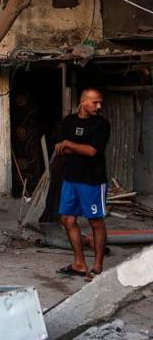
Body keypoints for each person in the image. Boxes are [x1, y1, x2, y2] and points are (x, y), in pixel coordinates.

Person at [55, 88, 110, 282]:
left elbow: (92, 151)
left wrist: (70, 144)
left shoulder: (101, 124)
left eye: (100, 102)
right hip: (71, 178)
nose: (99, 106)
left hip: (93, 180)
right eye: (95, 102)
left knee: (95, 221)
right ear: (83, 102)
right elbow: (61, 148)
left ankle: (98, 265)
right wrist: (69, 146)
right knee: (67, 219)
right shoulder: (68, 121)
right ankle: (79, 263)